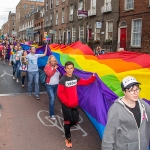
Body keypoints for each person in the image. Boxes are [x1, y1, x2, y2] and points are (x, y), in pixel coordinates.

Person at [101, 76, 150, 150]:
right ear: (124, 92)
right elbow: (109, 136)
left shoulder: (143, 105)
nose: (135, 93)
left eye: (137, 89)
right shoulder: (116, 110)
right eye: (131, 90)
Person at [57, 61, 96, 148]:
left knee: (75, 120)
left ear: (73, 69)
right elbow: (60, 93)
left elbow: (85, 82)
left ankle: (66, 126)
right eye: (68, 68)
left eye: (71, 68)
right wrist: (67, 102)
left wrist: (93, 77)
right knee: (67, 122)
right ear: (65, 69)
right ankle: (68, 138)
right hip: (66, 105)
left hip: (75, 104)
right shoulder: (62, 80)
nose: (70, 70)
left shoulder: (75, 77)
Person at [44, 55, 60, 120]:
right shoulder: (47, 67)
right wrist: (54, 69)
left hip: (56, 85)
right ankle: (52, 114)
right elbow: (49, 74)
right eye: (52, 60)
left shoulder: (58, 66)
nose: (53, 61)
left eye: (54, 60)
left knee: (54, 99)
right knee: (52, 98)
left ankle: (52, 107)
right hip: (49, 85)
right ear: (49, 60)